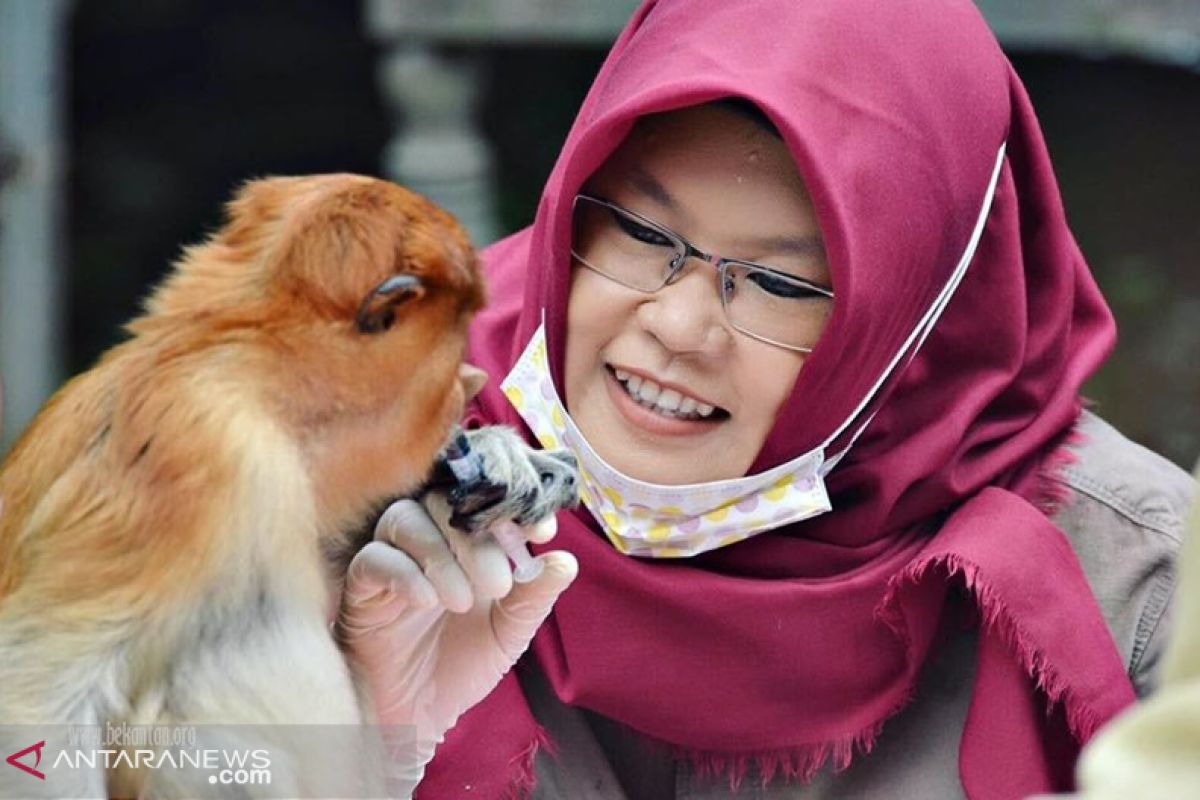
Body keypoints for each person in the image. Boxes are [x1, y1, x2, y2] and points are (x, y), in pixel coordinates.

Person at [335, 0, 1197, 798]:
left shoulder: (1138, 587)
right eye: (640, 233)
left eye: (781, 283)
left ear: (915, 325)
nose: (677, 326)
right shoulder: (363, 463)